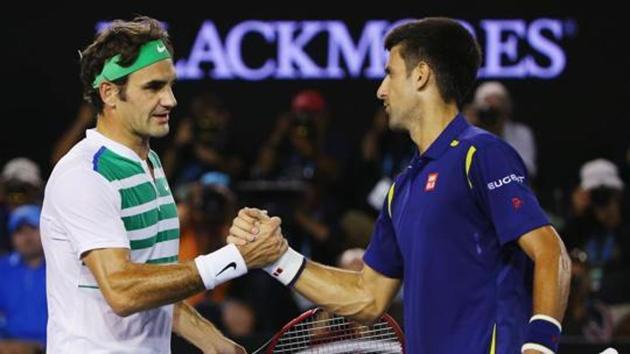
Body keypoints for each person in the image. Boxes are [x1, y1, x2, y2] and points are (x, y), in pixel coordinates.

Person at [230, 18, 571, 354]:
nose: (380, 89)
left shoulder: (481, 154)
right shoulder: (403, 187)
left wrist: (539, 346)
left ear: (421, 75)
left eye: (390, 73)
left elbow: (550, 252)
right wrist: (278, 257)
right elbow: (367, 297)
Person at [40, 16, 286, 354]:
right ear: (109, 92)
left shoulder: (149, 163)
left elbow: (155, 286)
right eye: (153, 87)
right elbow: (124, 292)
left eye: (170, 85)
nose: (170, 100)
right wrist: (236, 258)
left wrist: (214, 342)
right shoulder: (84, 175)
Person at [0, 205, 47, 353]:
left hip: (53, 346)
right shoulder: (3, 268)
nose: (27, 237)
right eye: (19, 231)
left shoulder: (61, 268)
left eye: (32, 228)